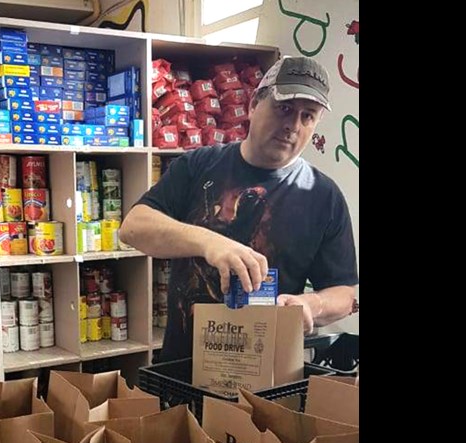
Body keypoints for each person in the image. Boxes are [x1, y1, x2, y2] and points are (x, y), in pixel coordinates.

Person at [120, 55, 358, 362]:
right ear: (253, 105)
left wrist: (312, 304)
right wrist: (209, 242)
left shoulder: (323, 196)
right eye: (284, 108)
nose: (292, 126)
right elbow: (134, 227)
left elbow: (345, 294)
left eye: (307, 116)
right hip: (183, 371)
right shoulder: (198, 165)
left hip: (267, 377)